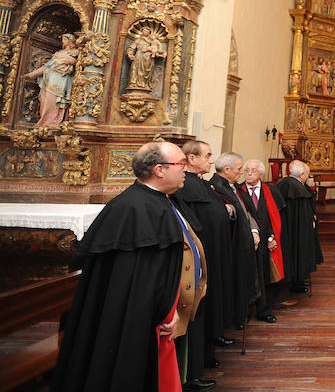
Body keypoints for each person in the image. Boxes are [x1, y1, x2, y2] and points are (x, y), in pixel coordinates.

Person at [51, 141, 206, 392]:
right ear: (159, 170)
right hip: (133, 321)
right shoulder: (135, 207)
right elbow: (139, 279)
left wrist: (169, 307)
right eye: (181, 164)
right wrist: (165, 312)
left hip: (145, 316)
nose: (185, 170)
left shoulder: (154, 202)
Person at [173, 141, 236, 389]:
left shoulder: (200, 183)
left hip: (211, 259)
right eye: (208, 156)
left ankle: (205, 356)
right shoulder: (186, 186)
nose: (212, 160)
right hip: (197, 264)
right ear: (191, 158)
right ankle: (191, 372)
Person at [210, 152, 261, 328]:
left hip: (245, 243)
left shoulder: (235, 186)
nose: (242, 172)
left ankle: (242, 313)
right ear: (227, 169)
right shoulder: (215, 188)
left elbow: (246, 212)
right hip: (233, 247)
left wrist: (254, 230)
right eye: (239, 169)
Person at [238, 159, 285, 323]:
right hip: (246, 242)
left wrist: (272, 237)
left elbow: (275, 217)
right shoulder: (238, 191)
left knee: (265, 277)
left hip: (266, 242)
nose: (249, 173)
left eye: (253, 170)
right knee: (246, 275)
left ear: (260, 174)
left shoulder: (270, 191)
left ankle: (264, 311)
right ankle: (245, 312)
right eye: (246, 170)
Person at [276, 160, 323, 293]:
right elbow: (303, 213)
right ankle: (297, 281)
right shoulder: (297, 188)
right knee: (298, 253)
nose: (307, 177)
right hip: (298, 230)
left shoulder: (283, 184)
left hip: (286, 229)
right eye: (307, 174)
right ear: (302, 174)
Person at [24, 32, 78, 127]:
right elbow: (48, 66)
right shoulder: (59, 53)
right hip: (49, 77)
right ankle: (44, 121)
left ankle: (53, 122)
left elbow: (82, 62)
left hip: (61, 79)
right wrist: (34, 73)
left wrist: (72, 61)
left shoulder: (75, 52)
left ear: (70, 41)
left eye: (65, 39)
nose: (62, 41)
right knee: (44, 98)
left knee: (52, 100)